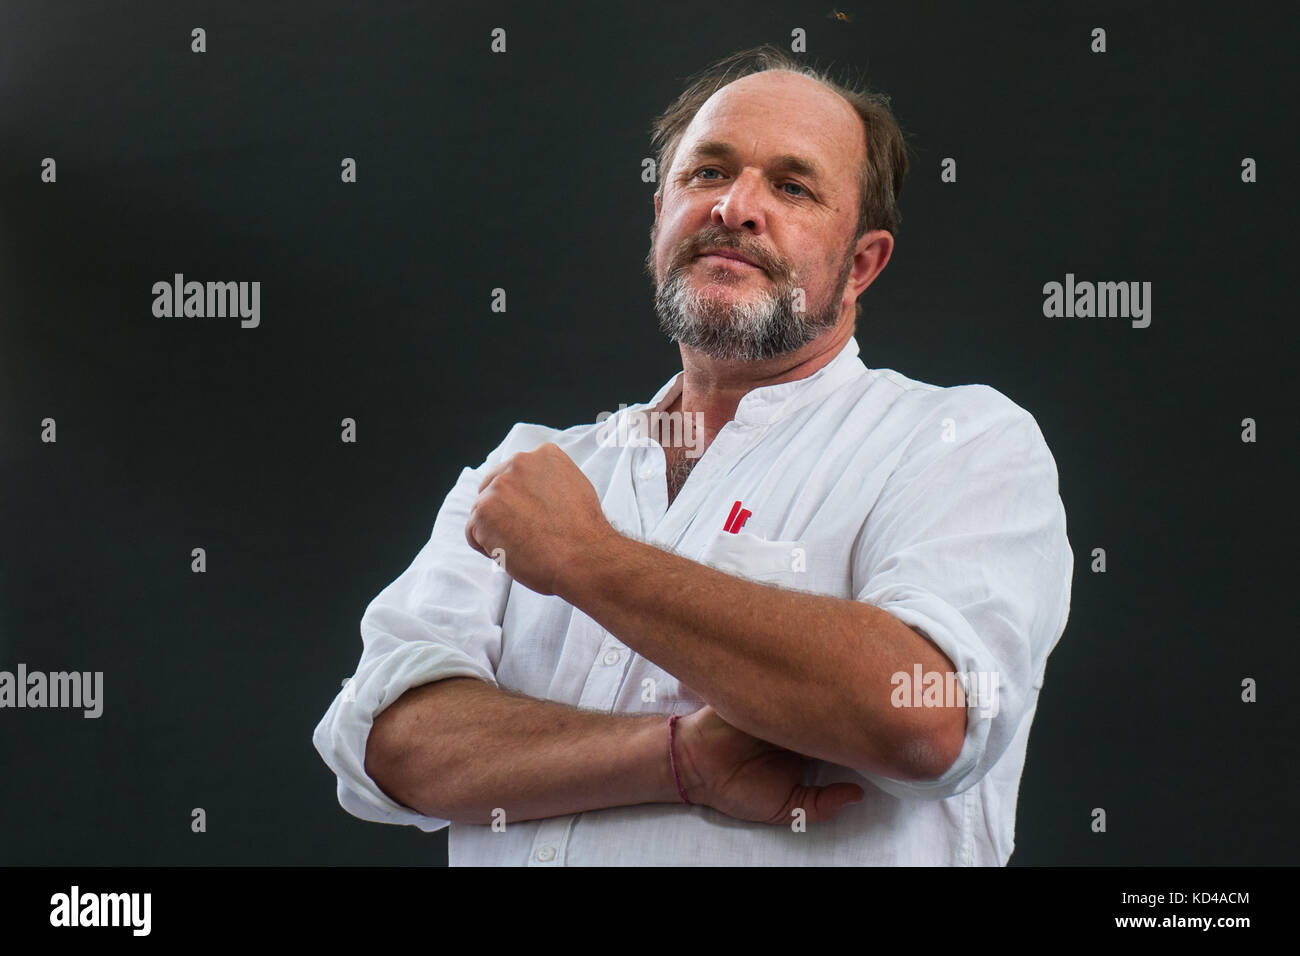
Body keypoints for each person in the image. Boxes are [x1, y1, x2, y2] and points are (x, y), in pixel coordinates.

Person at [312, 45, 1073, 866]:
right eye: (707, 173)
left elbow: (923, 717)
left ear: (860, 265)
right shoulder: (531, 468)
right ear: (659, 216)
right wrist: (682, 760)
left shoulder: (959, 443)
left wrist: (586, 558)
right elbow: (389, 745)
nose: (736, 208)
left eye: (792, 186)